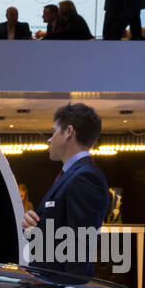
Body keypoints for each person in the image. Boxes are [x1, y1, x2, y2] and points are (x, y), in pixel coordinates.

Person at [21, 103, 109, 278]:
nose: (49, 139)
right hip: (46, 285)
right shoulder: (72, 175)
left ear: (69, 132)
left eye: (53, 131)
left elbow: (80, 245)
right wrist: (35, 228)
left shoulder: (84, 178)